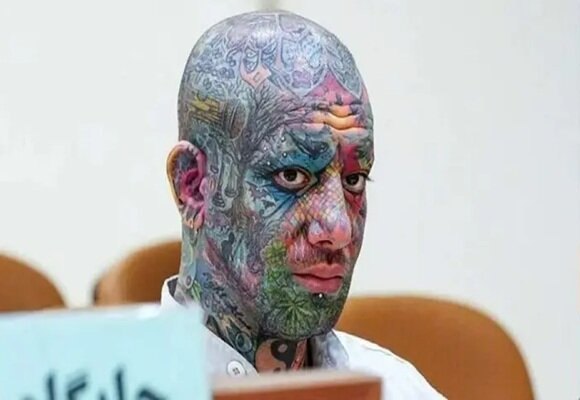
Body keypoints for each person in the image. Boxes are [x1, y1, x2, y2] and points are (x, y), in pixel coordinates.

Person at [164, 10, 445, 399]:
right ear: (193, 186)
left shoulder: (399, 391)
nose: (339, 228)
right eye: (292, 175)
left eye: (354, 180)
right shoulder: (107, 386)